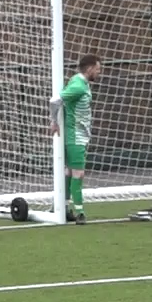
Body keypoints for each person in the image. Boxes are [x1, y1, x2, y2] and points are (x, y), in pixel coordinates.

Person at [51, 54, 102, 224]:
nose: (99, 73)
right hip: (75, 136)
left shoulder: (79, 82)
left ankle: (64, 208)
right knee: (78, 174)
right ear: (89, 69)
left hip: (78, 134)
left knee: (69, 172)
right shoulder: (79, 86)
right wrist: (54, 122)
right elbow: (56, 100)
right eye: (97, 69)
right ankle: (79, 212)